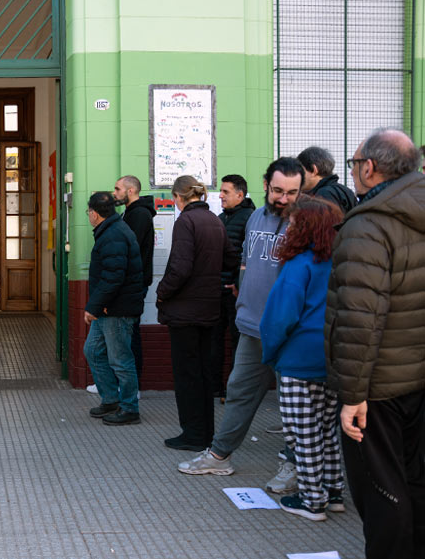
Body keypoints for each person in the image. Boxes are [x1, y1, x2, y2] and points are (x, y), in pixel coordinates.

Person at [178, 157, 304, 495]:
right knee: (239, 390)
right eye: (278, 190)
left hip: (290, 332)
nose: (283, 198)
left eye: (292, 192)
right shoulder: (256, 218)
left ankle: (295, 465)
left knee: (294, 406)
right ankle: (220, 455)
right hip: (252, 325)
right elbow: (247, 263)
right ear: (266, 186)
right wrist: (241, 299)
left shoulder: (307, 222)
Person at [326, 129, 425, 557]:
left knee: (381, 489)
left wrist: (353, 395)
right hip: (418, 376)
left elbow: (359, 319)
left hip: (379, 385)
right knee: (416, 479)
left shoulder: (368, 225)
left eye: (353, 163)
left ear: (368, 167)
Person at [259, 196, 345, 521]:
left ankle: (312, 500)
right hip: (331, 356)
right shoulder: (340, 260)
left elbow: (279, 318)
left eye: (293, 222)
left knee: (302, 433)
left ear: (304, 227)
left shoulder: (298, 265)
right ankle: (334, 491)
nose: (288, 227)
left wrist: (271, 353)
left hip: (298, 359)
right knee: (326, 430)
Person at [156, 176, 235, 451]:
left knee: (187, 375)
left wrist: (162, 292)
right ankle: (206, 433)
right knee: (202, 373)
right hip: (209, 308)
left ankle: (192, 434)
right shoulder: (215, 220)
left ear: (178, 196)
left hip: (185, 312)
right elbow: (230, 259)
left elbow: (180, 268)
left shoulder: (185, 222)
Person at [82, 191, 144, 426]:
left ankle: (129, 407)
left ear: (95, 214)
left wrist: (94, 307)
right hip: (109, 308)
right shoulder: (112, 231)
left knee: (120, 359)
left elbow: (113, 278)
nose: (89, 215)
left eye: (89, 212)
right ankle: (110, 399)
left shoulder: (113, 236)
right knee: (93, 351)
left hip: (116, 310)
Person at [211, 175, 256, 401]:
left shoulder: (250, 218)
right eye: (220, 191)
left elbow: (250, 257)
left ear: (240, 195)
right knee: (215, 340)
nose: (220, 195)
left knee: (238, 342)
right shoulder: (221, 218)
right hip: (218, 291)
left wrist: (238, 283)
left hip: (237, 292)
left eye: (225, 192)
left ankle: (235, 390)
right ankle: (216, 387)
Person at [111, 175, 155, 388]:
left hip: (133, 284)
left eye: (118, 189)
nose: (115, 193)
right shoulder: (131, 213)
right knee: (127, 333)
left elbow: (129, 249)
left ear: (130, 191)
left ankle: (131, 385)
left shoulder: (138, 215)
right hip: (132, 283)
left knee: (129, 335)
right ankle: (127, 384)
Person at [297, 146, 356, 214]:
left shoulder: (323, 195)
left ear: (314, 170)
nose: (298, 176)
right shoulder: (345, 190)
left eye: (300, 171)